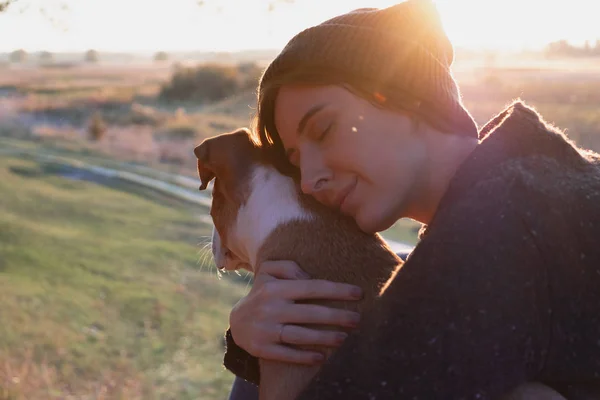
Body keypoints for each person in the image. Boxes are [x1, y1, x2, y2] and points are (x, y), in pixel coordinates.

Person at [221, 0, 600, 398]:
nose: (311, 182)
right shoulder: (537, 173)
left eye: (324, 129)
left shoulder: (497, 225)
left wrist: (252, 351)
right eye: (296, 162)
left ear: (406, 94)